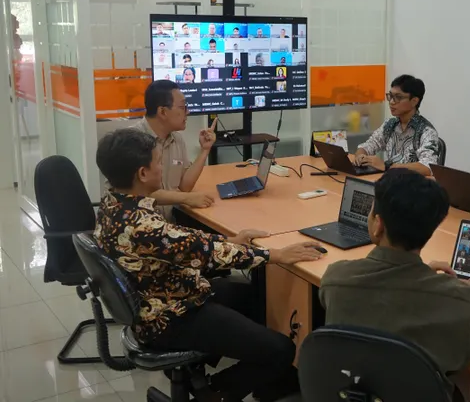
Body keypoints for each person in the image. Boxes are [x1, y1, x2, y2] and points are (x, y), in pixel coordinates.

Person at [95, 128, 324, 401]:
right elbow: (200, 250)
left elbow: (181, 241)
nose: (162, 167)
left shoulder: (113, 203)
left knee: (259, 299)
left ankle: (240, 376)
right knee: (281, 349)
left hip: (160, 295)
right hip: (170, 317)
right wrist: (275, 255)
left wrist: (229, 240)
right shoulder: (143, 226)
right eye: (158, 162)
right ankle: (215, 392)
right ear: (142, 174)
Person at [320, 169, 470, 401]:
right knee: (464, 376)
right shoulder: (463, 302)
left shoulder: (335, 279)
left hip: (353, 394)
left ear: (378, 225)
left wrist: (418, 275)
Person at [129, 80, 215, 219]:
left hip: (168, 223)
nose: (188, 112)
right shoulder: (132, 141)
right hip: (141, 224)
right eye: (182, 107)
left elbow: (185, 186)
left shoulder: (177, 139)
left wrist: (204, 150)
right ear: (162, 112)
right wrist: (187, 198)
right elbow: (140, 193)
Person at [355, 74, 440, 176]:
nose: (391, 102)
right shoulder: (390, 125)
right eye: (390, 96)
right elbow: (368, 145)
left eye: (398, 97)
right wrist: (361, 156)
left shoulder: (427, 131)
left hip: (413, 183)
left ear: (414, 101)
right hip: (390, 180)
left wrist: (387, 166)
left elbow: (428, 167)